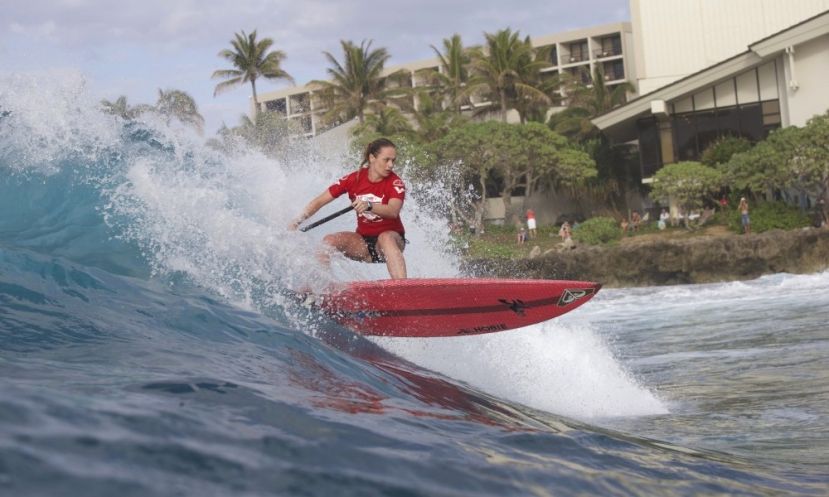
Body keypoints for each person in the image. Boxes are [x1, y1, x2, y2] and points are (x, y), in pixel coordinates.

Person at [289, 138, 407, 279]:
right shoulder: (354, 179)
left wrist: (369, 205)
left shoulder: (395, 182)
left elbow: (393, 211)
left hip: (391, 243)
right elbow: (320, 201)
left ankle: (402, 288)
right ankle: (323, 288)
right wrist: (296, 222)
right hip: (363, 244)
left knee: (385, 237)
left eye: (393, 161)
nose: (390, 165)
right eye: (386, 160)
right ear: (372, 158)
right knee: (329, 241)